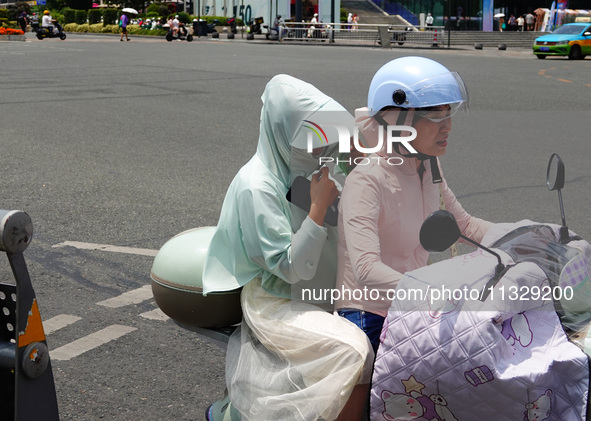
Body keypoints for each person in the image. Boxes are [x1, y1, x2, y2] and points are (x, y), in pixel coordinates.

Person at [202, 74, 373, 421]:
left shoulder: (304, 164)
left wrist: (359, 148)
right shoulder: (256, 187)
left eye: (326, 140)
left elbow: (362, 168)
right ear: (283, 133)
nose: (321, 150)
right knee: (355, 351)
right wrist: (318, 208)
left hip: (321, 287)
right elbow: (290, 267)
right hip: (277, 299)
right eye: (311, 141)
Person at [335, 57, 492, 354]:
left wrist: (526, 237)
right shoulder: (367, 179)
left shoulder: (428, 168)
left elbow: (465, 227)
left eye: (449, 113)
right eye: (434, 115)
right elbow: (367, 270)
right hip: (368, 315)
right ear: (396, 120)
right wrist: (435, 292)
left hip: (414, 305)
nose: (447, 126)